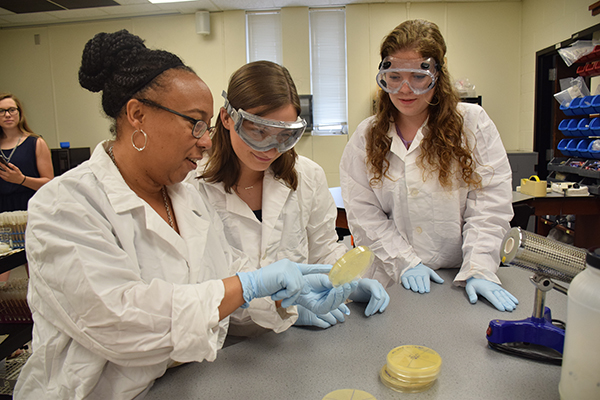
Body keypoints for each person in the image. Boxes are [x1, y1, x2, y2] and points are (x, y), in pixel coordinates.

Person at [14, 30, 355, 399]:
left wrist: (283, 295)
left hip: (185, 384)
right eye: (194, 123)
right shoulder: (65, 204)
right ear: (137, 114)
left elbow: (223, 278)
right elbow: (121, 323)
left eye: (206, 126)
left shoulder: (183, 196)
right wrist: (251, 285)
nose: (207, 140)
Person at [192, 60, 389, 334]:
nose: (271, 148)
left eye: (285, 135)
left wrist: (350, 284)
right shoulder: (193, 187)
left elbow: (323, 247)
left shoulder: (307, 176)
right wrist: (285, 308)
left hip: (294, 339)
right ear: (228, 118)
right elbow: (203, 282)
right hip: (226, 342)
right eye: (259, 131)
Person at [340, 19, 519, 312]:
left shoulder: (472, 124)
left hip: (459, 281)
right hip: (393, 280)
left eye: (418, 77)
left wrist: (479, 267)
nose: (404, 89)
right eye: (393, 76)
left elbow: (489, 205)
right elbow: (364, 214)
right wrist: (405, 263)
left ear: (438, 74)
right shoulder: (366, 137)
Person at [0, 93, 54, 212]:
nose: (7, 115)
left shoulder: (36, 143)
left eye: (12, 110)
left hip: (29, 207)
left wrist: (21, 180)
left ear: (19, 113)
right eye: (1, 111)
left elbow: (49, 183)